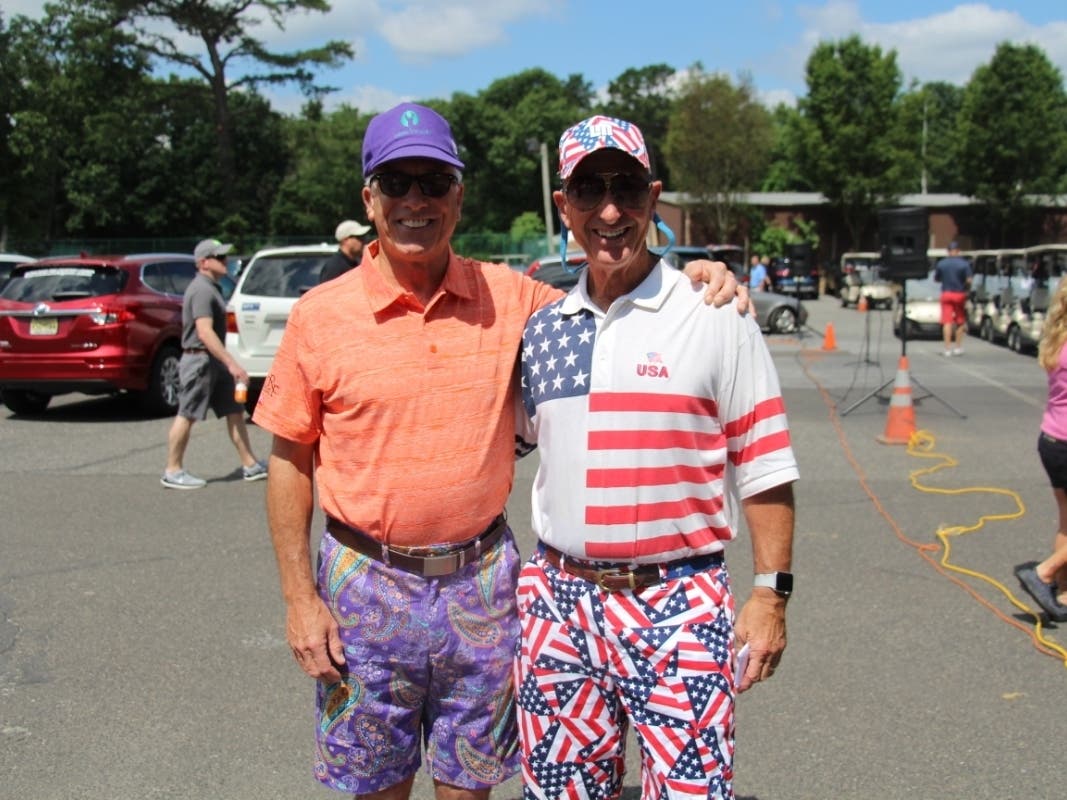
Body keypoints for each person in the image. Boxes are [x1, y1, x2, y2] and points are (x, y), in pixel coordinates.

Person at [252, 102, 746, 799]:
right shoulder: (319, 315)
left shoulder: (518, 301)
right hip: (363, 584)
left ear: (458, 193)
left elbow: (615, 292)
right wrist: (299, 598)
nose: (415, 201)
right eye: (396, 184)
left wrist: (697, 275)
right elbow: (289, 459)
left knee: (472, 785)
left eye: (433, 182)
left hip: (482, 585)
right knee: (371, 787)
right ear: (369, 198)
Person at [512, 115, 798, 800]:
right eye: (588, 190)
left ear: (653, 196)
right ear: (563, 206)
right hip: (558, 599)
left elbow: (764, 465)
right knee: (561, 793)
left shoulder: (711, 312)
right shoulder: (544, 328)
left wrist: (770, 593)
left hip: (678, 599)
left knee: (692, 791)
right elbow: (504, 444)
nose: (609, 210)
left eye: (627, 188)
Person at [161, 238, 267, 489]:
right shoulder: (201, 290)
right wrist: (233, 364)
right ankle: (173, 470)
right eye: (219, 258)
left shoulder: (211, 287)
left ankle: (249, 464)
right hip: (199, 361)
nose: (225, 261)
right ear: (203, 262)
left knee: (234, 411)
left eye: (224, 257)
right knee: (187, 414)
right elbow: (204, 332)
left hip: (211, 362)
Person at [1015, 277, 1067, 622]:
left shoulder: (1057, 340)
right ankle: (1045, 573)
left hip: (1052, 440)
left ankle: (1062, 594)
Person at [933, 241, 972, 356]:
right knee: (960, 320)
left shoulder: (941, 264)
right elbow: (969, 280)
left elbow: (936, 279)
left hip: (946, 293)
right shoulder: (964, 264)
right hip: (959, 294)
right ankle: (958, 347)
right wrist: (966, 289)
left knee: (947, 322)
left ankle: (947, 348)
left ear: (948, 251)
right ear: (958, 251)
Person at [319, 219, 371, 284]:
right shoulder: (334, 267)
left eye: (364, 237)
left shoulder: (355, 263)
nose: (364, 241)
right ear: (345, 240)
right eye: (359, 237)